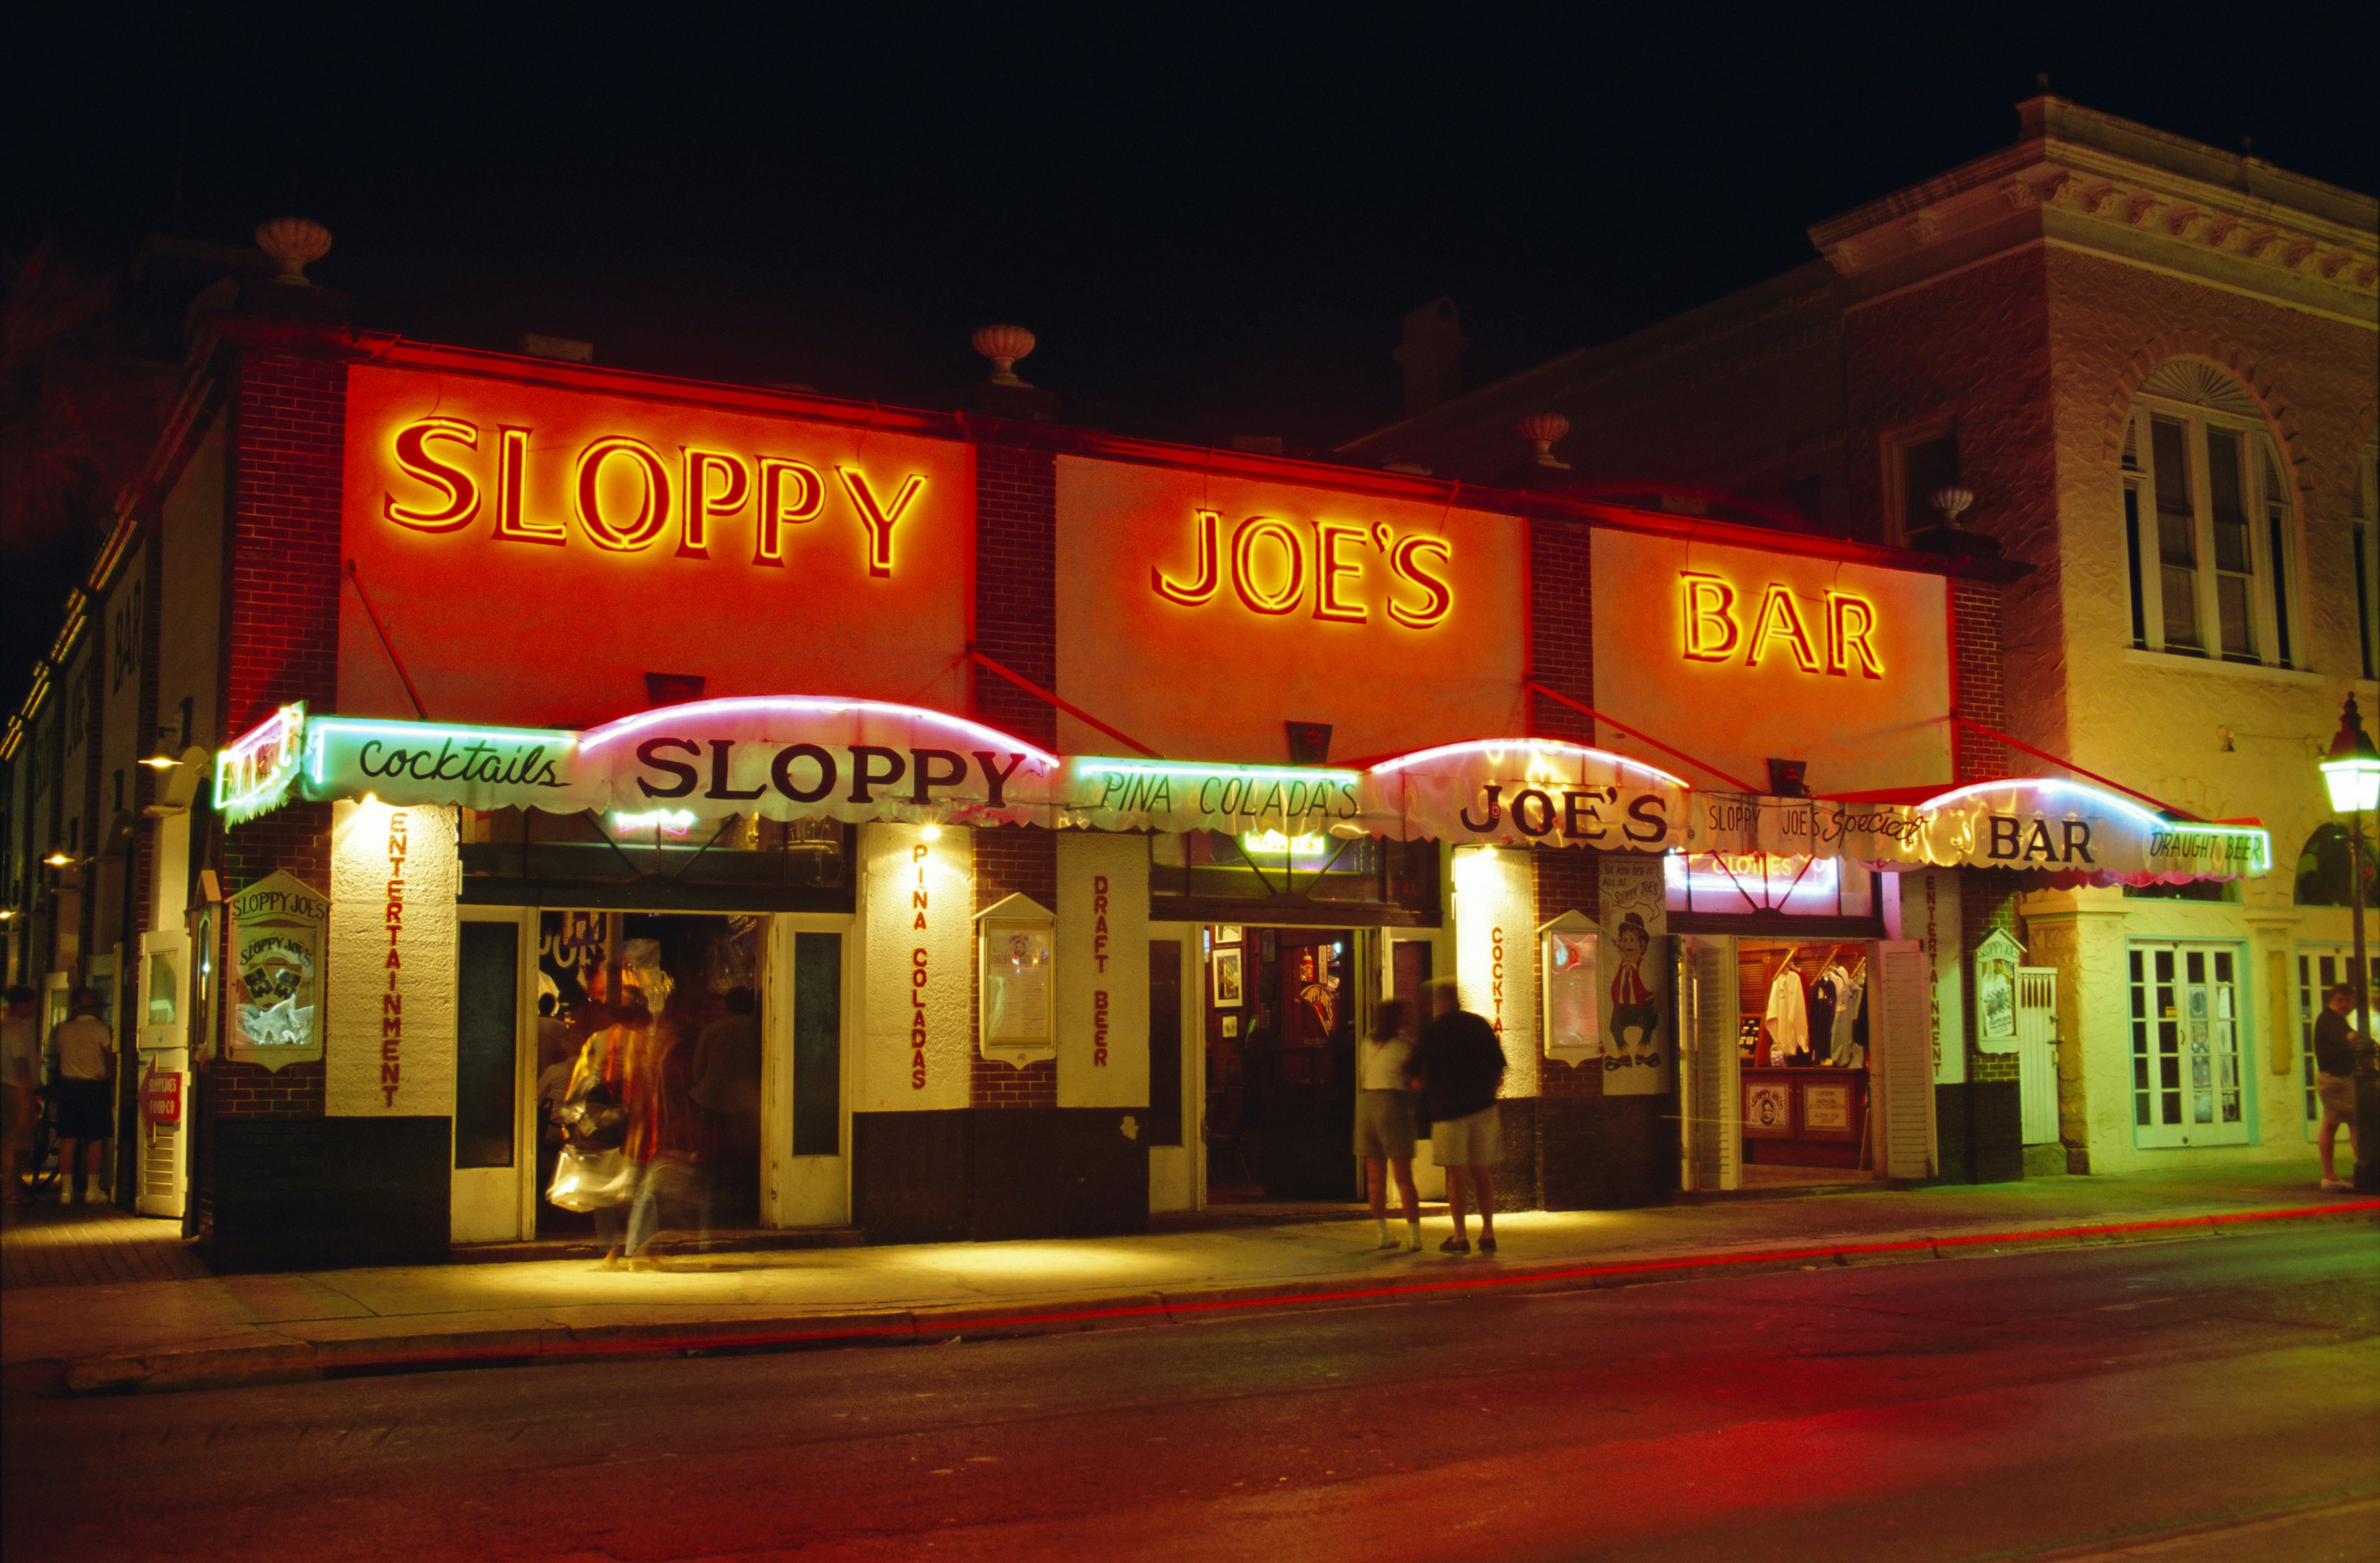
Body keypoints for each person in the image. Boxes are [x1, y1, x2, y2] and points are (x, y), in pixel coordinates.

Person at [1409, 978, 1506, 1255]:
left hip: (1449, 1112)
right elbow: (1499, 1072)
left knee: (1455, 1174)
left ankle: (1460, 1235)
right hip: (1483, 1109)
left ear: (1437, 1003)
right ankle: (1488, 1233)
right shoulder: (1479, 1025)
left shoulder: (1432, 1031)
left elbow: (1416, 1076)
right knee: (1481, 1173)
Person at [688, 987, 762, 1221]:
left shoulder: (711, 1030)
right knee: (746, 1156)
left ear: (728, 1007)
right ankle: (745, 1203)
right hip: (748, 1103)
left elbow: (697, 1071)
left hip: (712, 1102)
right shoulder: (760, 1029)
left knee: (714, 1157)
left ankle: (711, 1202)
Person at [1355, 998, 1422, 1252]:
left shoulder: (1366, 1042)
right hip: (1392, 1105)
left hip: (1366, 1105)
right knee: (1403, 1177)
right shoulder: (1405, 1047)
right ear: (1397, 1018)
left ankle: (1383, 1235)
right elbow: (1414, 1083)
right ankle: (1414, 1237)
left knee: (1374, 1179)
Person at [48, 989, 115, 1206]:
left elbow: (58, 1056)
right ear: (95, 1008)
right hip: (94, 1087)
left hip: (68, 1086)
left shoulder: (63, 1030)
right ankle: (92, 1190)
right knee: (95, 1138)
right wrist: (110, 1076)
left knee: (68, 1139)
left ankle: (65, 1191)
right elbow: (110, 1055)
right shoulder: (101, 1029)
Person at [2313, 983, 2364, 1192]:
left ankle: (2330, 1175)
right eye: (2349, 1000)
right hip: (2338, 1081)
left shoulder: (2331, 1020)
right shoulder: (2330, 1020)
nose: (2351, 1004)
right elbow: (2350, 1039)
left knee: (2331, 1123)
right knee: (2357, 1122)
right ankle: (2366, 1169)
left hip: (2330, 1079)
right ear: (2341, 999)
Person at [2, 986, 39, 1203]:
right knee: (11, 1142)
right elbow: (21, 1063)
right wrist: (26, 1098)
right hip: (14, 1089)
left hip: (10, 1087)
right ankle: (8, 1190)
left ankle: (12, 1188)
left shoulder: (6, 1026)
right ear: (23, 1004)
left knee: (10, 1141)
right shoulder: (17, 1029)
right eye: (32, 1003)